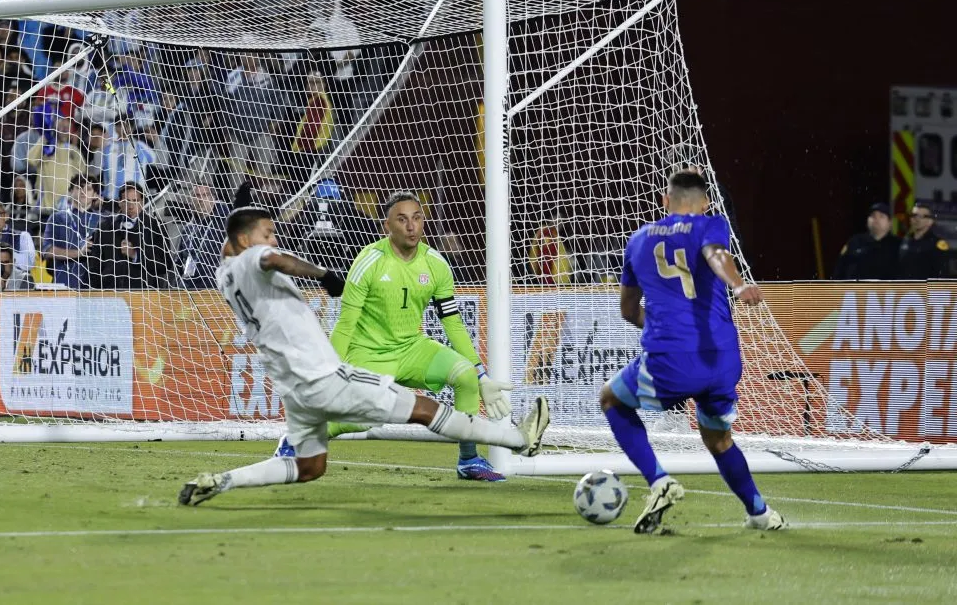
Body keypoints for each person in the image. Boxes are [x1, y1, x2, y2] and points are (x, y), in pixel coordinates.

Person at [177, 207, 550, 505]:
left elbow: (242, 249)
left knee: (310, 467)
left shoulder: (224, 273)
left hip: (294, 391)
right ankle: (519, 440)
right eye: (267, 233)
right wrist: (324, 275)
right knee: (424, 409)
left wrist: (238, 220)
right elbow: (274, 259)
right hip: (325, 376)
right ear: (246, 240)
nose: (273, 239)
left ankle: (224, 480)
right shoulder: (258, 257)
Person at [600, 170, 784, 534]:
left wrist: (657, 326)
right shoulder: (710, 224)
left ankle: (658, 480)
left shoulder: (638, 241)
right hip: (722, 359)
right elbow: (715, 254)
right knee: (718, 438)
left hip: (671, 358)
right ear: (705, 204)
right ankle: (759, 512)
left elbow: (627, 310)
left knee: (611, 400)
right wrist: (738, 284)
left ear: (665, 202)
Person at [295, 191, 513, 482]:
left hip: (412, 348)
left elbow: (453, 324)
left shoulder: (436, 264)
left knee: (465, 377)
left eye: (417, 218)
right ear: (387, 226)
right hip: (369, 352)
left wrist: (481, 374)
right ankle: (297, 441)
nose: (411, 226)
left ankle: (469, 460)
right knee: (364, 419)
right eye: (402, 219)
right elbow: (345, 325)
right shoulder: (369, 261)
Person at [833, 203, 900, 280]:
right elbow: (840, 270)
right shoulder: (855, 242)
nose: (876, 219)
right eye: (873, 216)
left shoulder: (898, 245)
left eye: (881, 216)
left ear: (890, 223)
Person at [897, 202, 951, 279]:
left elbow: (941, 276)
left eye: (922, 216)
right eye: (914, 215)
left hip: (926, 289)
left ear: (930, 221)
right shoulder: (904, 241)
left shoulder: (937, 244)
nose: (917, 219)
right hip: (904, 289)